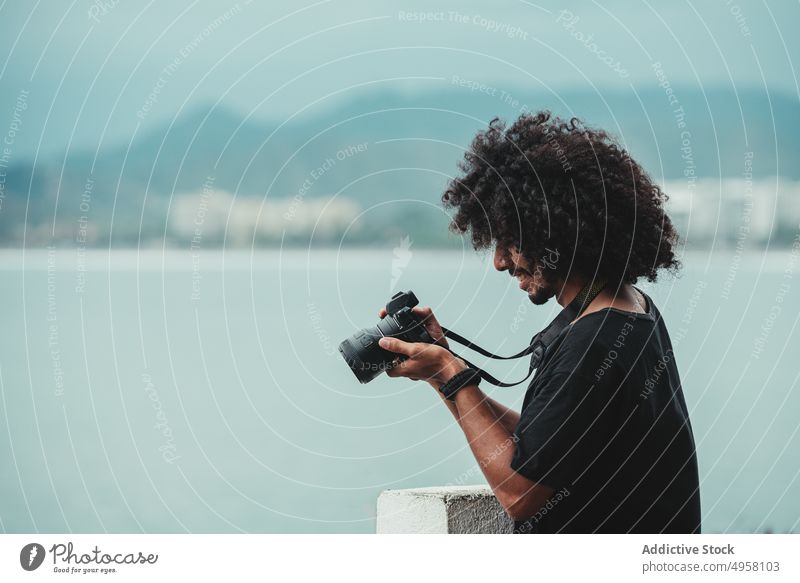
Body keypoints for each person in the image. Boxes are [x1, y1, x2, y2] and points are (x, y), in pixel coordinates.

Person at [377, 112, 701, 533]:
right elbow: (544, 449)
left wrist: (449, 371)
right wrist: (443, 369)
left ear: (556, 233)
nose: (498, 262)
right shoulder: (632, 310)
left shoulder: (591, 344)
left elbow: (521, 494)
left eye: (509, 240)